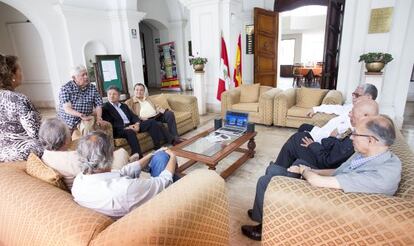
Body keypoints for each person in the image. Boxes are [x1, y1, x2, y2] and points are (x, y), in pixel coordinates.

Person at [241, 115, 401, 241]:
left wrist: (304, 171)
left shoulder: (382, 176)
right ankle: (261, 214)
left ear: (371, 140)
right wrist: (310, 169)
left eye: (355, 134)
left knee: (266, 180)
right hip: (334, 186)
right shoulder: (368, 153)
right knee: (274, 169)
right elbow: (337, 171)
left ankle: (266, 227)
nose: (351, 137)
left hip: (330, 201)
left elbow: (318, 182)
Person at [71, 131, 177, 219]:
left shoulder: (79, 181)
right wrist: (173, 156)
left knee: (159, 157)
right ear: (110, 155)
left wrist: (151, 154)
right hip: (150, 216)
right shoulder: (126, 188)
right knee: (163, 160)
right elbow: (164, 181)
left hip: (124, 208)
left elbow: (120, 173)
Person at [274, 99, 379, 170]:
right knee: (300, 137)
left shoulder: (357, 139)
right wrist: (329, 139)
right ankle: (279, 168)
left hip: (323, 164)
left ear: (365, 116)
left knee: (297, 140)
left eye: (352, 112)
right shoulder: (360, 131)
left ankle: (277, 170)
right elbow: (332, 145)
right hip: (324, 151)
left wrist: (313, 145)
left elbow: (327, 162)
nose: (349, 114)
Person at [39, 118, 130, 189]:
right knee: (122, 152)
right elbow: (99, 172)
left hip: (87, 174)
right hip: (100, 181)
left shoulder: (45, 154)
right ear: (65, 140)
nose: (70, 135)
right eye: (68, 133)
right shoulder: (72, 159)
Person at [299, 83, 378, 143]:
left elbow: (349, 130)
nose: (353, 97)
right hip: (322, 132)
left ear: (368, 97)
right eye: (353, 94)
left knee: (296, 140)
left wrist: (338, 130)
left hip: (324, 139)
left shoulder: (365, 116)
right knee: (303, 127)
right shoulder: (352, 106)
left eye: (357, 95)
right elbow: (337, 108)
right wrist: (315, 109)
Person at [102, 86, 164, 160]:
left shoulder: (123, 105)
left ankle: (157, 147)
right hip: (119, 129)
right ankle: (138, 156)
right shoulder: (105, 108)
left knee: (151, 122)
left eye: (114, 94)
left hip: (131, 125)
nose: (111, 96)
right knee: (130, 132)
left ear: (119, 96)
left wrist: (137, 124)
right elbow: (110, 123)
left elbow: (133, 116)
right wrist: (126, 127)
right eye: (109, 94)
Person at [0, 54, 43, 162]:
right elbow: (36, 132)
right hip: (21, 152)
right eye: (19, 70)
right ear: (12, 75)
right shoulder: (18, 99)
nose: (22, 73)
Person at [58, 64, 111, 137]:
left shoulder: (92, 87)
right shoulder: (66, 88)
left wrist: (99, 117)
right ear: (74, 78)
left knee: (103, 126)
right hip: (69, 120)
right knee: (65, 137)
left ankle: (101, 148)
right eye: (83, 75)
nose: (86, 77)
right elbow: (67, 109)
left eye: (86, 74)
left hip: (85, 118)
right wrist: (81, 115)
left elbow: (98, 104)